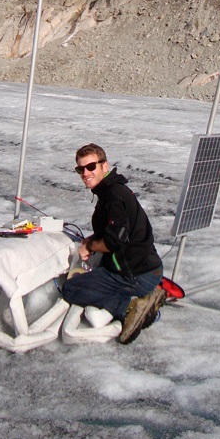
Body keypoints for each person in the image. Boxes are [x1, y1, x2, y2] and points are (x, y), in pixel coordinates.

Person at [61, 142, 165, 344]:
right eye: (80, 169)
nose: (85, 173)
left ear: (104, 166)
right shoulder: (111, 191)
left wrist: (90, 246)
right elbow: (115, 233)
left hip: (134, 275)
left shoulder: (113, 196)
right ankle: (143, 295)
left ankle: (130, 306)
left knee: (72, 288)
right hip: (147, 268)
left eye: (91, 167)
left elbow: (115, 241)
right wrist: (91, 240)